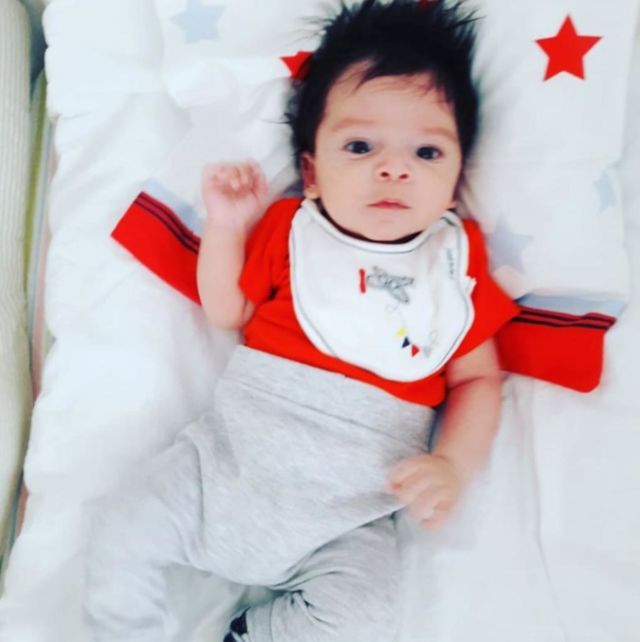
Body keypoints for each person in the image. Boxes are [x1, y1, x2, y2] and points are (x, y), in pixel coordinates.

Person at [84, 1, 518, 641]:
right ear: (311, 172)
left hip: (343, 525)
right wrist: (227, 229)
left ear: (455, 184)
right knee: (121, 530)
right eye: (360, 146)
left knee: (364, 617)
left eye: (427, 151)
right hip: (219, 470)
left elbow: (479, 380)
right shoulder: (292, 231)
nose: (393, 168)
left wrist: (452, 463)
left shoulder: (456, 267)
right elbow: (226, 310)